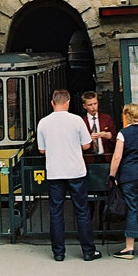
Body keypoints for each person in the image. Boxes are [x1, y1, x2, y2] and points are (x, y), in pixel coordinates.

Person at [37, 89, 102, 262]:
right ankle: (88, 251)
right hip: (75, 171)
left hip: (55, 172)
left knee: (56, 212)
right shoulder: (77, 120)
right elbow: (87, 145)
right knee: (82, 211)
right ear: (68, 102)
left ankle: (58, 252)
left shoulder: (43, 123)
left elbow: (41, 150)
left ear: (52, 103)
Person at [107, 103, 138, 259]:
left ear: (127, 116)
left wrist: (112, 175)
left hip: (130, 175)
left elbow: (117, 157)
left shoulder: (123, 134)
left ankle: (129, 247)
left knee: (132, 208)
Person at [81, 91, 115, 156]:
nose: (93, 107)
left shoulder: (107, 118)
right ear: (84, 106)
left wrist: (110, 137)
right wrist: (88, 139)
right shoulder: (81, 121)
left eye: (95, 103)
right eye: (90, 105)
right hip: (89, 158)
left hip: (106, 157)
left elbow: (116, 138)